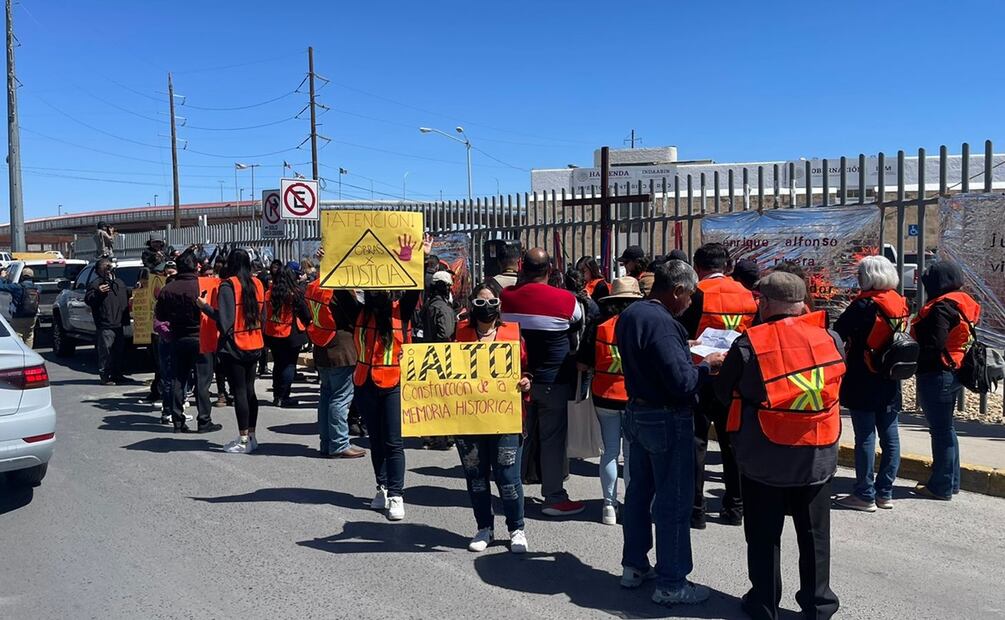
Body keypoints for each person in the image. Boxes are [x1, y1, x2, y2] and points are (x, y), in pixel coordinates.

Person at [715, 271, 844, 620]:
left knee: (763, 535)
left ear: (766, 304)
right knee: (815, 536)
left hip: (764, 457)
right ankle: (818, 606)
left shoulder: (749, 344)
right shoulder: (830, 338)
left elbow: (722, 392)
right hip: (818, 452)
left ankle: (764, 603)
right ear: (802, 304)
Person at [615, 259, 724, 607]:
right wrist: (706, 366)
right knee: (673, 501)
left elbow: (653, 358)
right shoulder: (663, 323)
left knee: (638, 493)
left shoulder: (632, 314)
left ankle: (634, 565)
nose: (690, 302)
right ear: (677, 291)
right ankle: (672, 583)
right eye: (690, 295)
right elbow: (682, 382)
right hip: (665, 417)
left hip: (638, 411)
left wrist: (683, 352)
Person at [500, 248, 585, 517]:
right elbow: (578, 324)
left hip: (516, 380)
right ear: (549, 269)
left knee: (517, 440)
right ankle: (553, 498)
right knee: (552, 441)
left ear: (522, 268)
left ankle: (511, 494)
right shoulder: (566, 300)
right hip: (553, 381)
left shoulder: (507, 297)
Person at [679, 242, 758, 529]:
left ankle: (695, 510)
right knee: (732, 443)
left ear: (697, 266)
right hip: (735, 378)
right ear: (727, 266)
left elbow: (682, 334)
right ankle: (735, 507)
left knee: (696, 443)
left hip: (700, 375)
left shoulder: (696, 293)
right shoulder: (747, 295)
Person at [455, 283, 532, 553]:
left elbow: (527, 368)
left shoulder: (513, 333)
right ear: (471, 304)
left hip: (505, 417)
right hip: (469, 419)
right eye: (480, 302)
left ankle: (516, 528)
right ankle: (484, 527)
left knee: (508, 478)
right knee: (476, 477)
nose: (486, 307)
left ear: (499, 305)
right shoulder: (459, 334)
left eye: (491, 302)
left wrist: (526, 381)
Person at [337, 284, 422, 522]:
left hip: (393, 384)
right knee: (376, 440)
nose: (376, 292)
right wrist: (330, 266)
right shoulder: (358, 312)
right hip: (365, 384)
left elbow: (416, 287)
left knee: (393, 441)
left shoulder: (401, 311)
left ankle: (396, 494)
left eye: (381, 289)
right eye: (372, 289)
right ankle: (382, 487)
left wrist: (420, 263)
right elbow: (339, 290)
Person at [833, 256, 907, 511]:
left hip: (863, 376)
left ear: (868, 277)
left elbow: (838, 332)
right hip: (890, 376)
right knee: (890, 436)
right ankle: (884, 492)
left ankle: (864, 494)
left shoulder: (863, 305)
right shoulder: (899, 301)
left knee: (865, 437)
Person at [910, 260, 980, 501]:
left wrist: (915, 354)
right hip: (955, 369)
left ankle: (940, 486)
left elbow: (934, 343)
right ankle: (951, 482)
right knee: (946, 429)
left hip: (937, 373)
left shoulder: (941, 307)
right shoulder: (964, 301)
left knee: (940, 431)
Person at [576, 276, 643, 525]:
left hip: (604, 395)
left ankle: (608, 505)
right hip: (634, 396)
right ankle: (634, 504)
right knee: (632, 454)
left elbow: (583, 363)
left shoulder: (599, 325)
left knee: (610, 451)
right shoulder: (642, 325)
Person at [198, 249, 266, 454]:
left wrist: (205, 307)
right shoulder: (258, 283)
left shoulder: (228, 285)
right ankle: (252, 436)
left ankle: (243, 439)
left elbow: (225, 321)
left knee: (239, 391)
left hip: (235, 345)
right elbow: (262, 315)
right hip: (255, 341)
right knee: (250, 390)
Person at [155, 252, 223, 434]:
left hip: (178, 337)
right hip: (202, 337)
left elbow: (160, 315)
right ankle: (204, 421)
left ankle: (178, 421)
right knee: (203, 382)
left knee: (178, 380)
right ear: (196, 267)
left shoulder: (168, 289)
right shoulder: (206, 284)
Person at [305, 277, 365, 459]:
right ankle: (339, 444)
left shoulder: (314, 286)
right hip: (341, 349)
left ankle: (327, 443)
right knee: (340, 398)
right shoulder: (338, 289)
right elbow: (356, 315)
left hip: (322, 346)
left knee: (326, 396)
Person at [264, 265, 311, 408]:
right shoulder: (295, 294)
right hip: (291, 333)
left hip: (273, 333)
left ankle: (277, 395)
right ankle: (284, 397)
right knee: (289, 365)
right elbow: (306, 313)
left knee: (278, 364)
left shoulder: (270, 293)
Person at [84, 258, 129, 385]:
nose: (107, 269)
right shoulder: (96, 284)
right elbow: (89, 300)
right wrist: (98, 292)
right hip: (106, 323)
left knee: (118, 351)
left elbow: (127, 294)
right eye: (104, 267)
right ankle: (105, 376)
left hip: (119, 322)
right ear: (98, 270)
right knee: (106, 351)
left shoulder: (119, 282)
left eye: (109, 266)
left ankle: (117, 374)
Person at [1, 266, 39, 347]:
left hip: (18, 316)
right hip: (32, 316)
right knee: (29, 336)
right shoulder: (37, 288)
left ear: (22, 276)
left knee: (17, 335)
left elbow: (1, 287)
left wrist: (2, 277)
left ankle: (21, 351)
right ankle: (29, 352)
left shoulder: (17, 287)